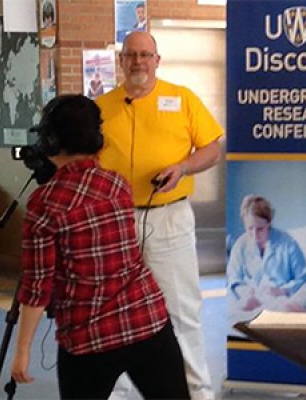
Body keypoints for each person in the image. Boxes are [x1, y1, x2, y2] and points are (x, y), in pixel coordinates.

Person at [10, 94, 190, 399]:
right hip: (147, 320)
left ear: (50, 143)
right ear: (99, 140)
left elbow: (37, 284)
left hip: (88, 335)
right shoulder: (117, 184)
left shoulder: (45, 203)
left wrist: (22, 350)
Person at [95, 31, 222, 400]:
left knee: (181, 312)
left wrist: (182, 167)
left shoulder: (183, 99)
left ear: (157, 60)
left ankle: (197, 393)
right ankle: (117, 394)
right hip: (115, 222)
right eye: (131, 55)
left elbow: (211, 149)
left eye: (145, 55)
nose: (138, 62)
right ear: (121, 61)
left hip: (169, 217)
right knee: (111, 310)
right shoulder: (101, 108)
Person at [226, 195, 306, 328]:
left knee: (290, 309)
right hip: (249, 303)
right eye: (250, 228)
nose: (254, 235)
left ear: (269, 223)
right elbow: (233, 279)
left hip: (280, 301)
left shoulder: (288, 244)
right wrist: (245, 294)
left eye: (260, 229)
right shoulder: (240, 245)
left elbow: (304, 280)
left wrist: (282, 291)